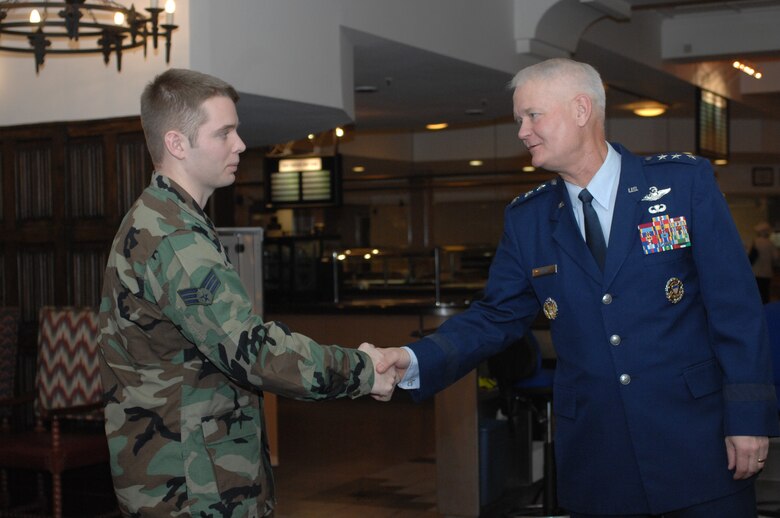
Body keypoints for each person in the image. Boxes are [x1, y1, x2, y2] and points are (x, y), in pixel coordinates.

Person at [370, 58, 779, 517]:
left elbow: (737, 309)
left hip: (697, 443)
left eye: (532, 115)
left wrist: (748, 418)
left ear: (582, 109)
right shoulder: (529, 220)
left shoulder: (682, 186)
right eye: (518, 120)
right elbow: (496, 316)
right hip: (599, 458)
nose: (522, 132)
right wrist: (413, 359)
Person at [98, 68, 395, 517]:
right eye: (225, 133)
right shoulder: (174, 238)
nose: (239, 144)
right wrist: (363, 370)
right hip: (189, 488)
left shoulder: (167, 219)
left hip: (190, 474)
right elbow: (253, 352)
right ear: (177, 144)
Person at [750, 221, 777, 303]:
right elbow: (776, 258)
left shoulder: (756, 241)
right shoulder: (770, 243)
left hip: (756, 273)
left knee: (757, 294)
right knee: (765, 294)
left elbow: (751, 257)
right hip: (767, 274)